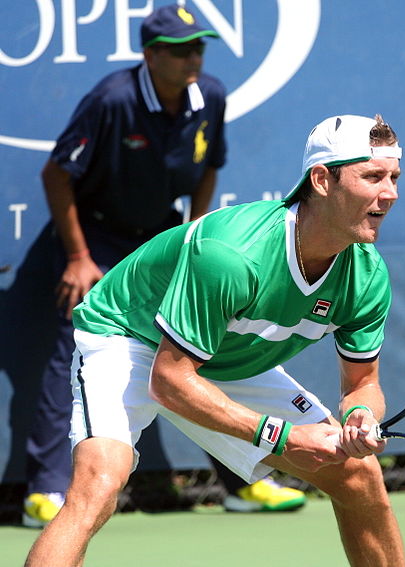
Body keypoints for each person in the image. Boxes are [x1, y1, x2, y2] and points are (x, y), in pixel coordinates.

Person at [24, 113, 405, 567]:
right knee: (98, 487)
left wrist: (361, 416)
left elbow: (363, 383)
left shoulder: (366, 276)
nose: (391, 194)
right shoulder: (232, 254)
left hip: (222, 354)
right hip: (129, 337)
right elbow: (168, 381)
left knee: (358, 475)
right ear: (322, 179)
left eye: (395, 177)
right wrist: (281, 436)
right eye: (373, 177)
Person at [23, 3, 304, 529]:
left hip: (165, 237)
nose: (192, 57)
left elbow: (208, 168)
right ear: (150, 56)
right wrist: (80, 257)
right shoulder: (112, 99)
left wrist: (199, 238)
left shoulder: (210, 95)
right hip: (99, 236)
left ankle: (242, 484)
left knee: (204, 347)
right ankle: (46, 488)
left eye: (198, 46)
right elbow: (57, 175)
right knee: (77, 349)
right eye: (179, 50)